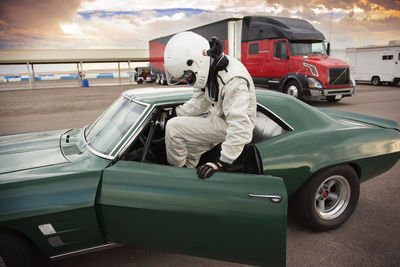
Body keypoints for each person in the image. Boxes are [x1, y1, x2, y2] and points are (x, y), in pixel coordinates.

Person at [164, 31, 256, 179]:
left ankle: (176, 173)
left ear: (196, 63)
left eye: (187, 75)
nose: (187, 79)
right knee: (193, 143)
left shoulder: (233, 81)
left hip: (232, 125)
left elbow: (241, 127)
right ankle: (189, 170)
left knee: (173, 128)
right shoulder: (208, 67)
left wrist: (221, 162)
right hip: (219, 116)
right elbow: (200, 102)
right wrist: (176, 112)